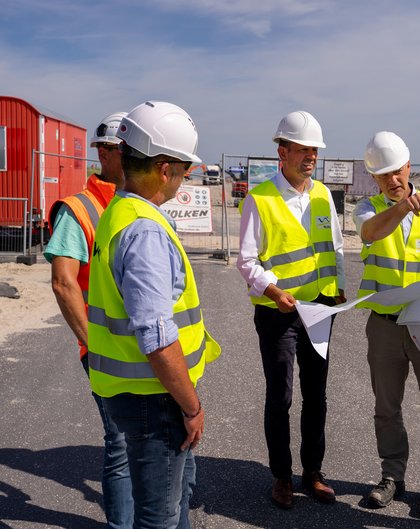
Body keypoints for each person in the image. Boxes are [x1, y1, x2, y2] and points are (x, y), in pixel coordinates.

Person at [87, 100, 220, 529]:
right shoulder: (144, 230)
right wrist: (192, 406)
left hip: (138, 392)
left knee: (173, 502)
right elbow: (158, 337)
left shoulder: (121, 211)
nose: (185, 177)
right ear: (164, 169)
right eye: (183, 168)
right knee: (158, 516)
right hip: (155, 398)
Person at [237, 110, 346, 509]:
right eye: (303, 149)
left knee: (317, 395)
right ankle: (281, 476)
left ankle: (312, 473)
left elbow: (333, 248)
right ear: (282, 151)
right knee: (280, 396)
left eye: (314, 150)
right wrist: (272, 289)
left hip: (318, 310)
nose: (311, 157)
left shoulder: (321, 195)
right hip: (278, 313)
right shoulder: (260, 198)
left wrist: (340, 289)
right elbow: (246, 260)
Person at [353, 131, 420, 518]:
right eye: (383, 176)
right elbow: (371, 233)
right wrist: (401, 208)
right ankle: (391, 477)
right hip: (384, 326)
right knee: (387, 407)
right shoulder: (367, 209)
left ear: (408, 166)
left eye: (396, 172)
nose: (392, 181)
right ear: (374, 178)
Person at [45, 111, 133, 528]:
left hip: (140, 348)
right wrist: (92, 345)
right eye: (123, 150)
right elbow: (63, 283)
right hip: (102, 349)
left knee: (142, 442)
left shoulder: (134, 203)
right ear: (105, 153)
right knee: (119, 443)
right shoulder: (78, 210)